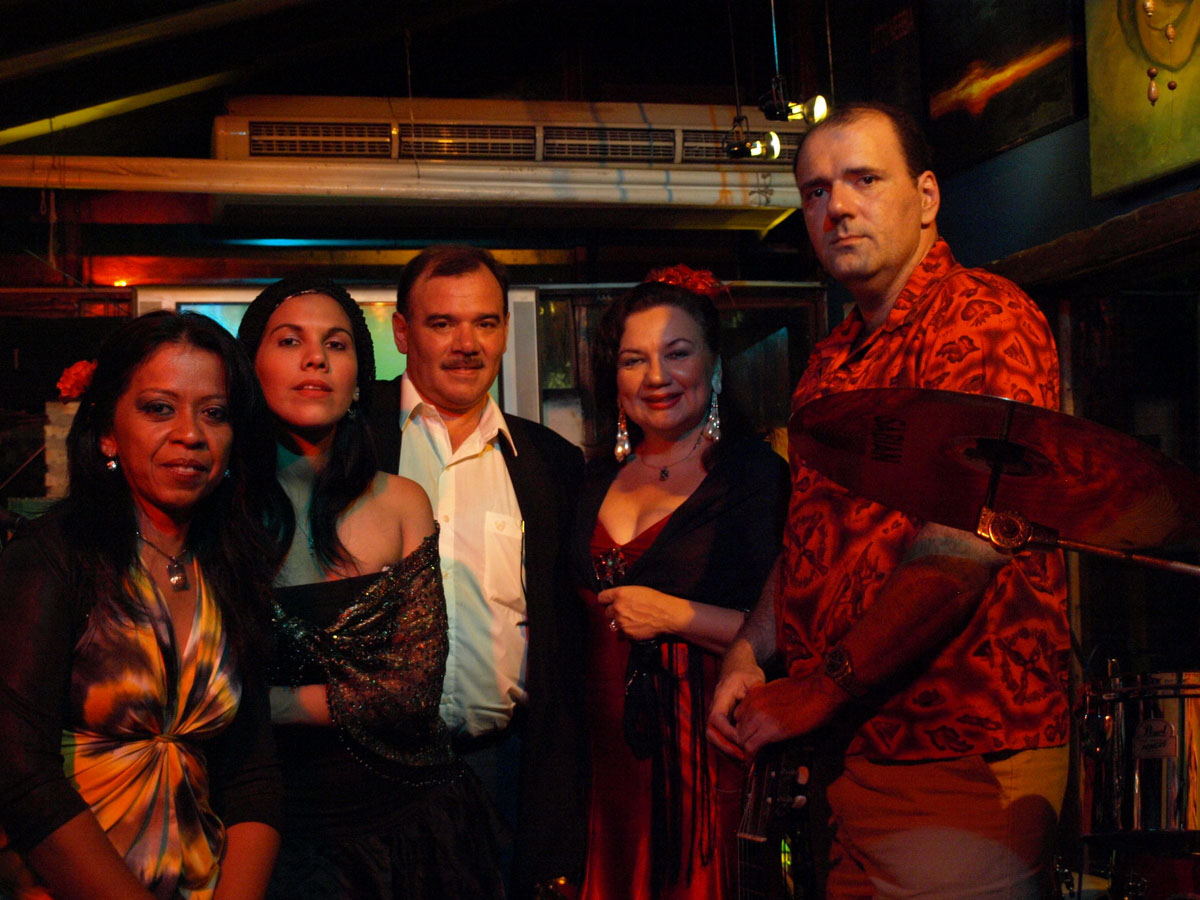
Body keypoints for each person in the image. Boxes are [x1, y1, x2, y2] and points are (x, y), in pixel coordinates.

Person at [708, 102, 1070, 898]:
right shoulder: (833, 357)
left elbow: (966, 544)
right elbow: (809, 540)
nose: (837, 206)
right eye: (815, 191)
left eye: (864, 179)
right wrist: (747, 651)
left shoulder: (984, 318)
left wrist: (821, 686)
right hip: (852, 752)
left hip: (956, 747)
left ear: (927, 197)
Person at [0, 311, 283, 900]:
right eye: (159, 408)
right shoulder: (53, 558)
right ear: (108, 431)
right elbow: (20, 772)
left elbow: (252, 774)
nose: (191, 434)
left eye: (214, 413)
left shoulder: (231, 565)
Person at [237, 276, 504, 899]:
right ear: (249, 368)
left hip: (411, 831)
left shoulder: (402, 501)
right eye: (289, 341)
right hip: (266, 834)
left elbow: (411, 693)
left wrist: (253, 704)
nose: (315, 359)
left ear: (359, 378)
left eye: (336, 344)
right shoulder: (216, 515)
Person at [367, 245, 587, 896]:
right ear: (402, 332)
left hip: (504, 770)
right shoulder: (355, 440)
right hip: (369, 775)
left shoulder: (550, 462)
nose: (467, 345)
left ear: (505, 330)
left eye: (485, 323)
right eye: (442, 324)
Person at [573, 267, 789, 899]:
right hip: (601, 757)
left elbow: (792, 623)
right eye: (634, 360)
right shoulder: (590, 480)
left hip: (703, 747)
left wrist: (673, 614)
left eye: (677, 353)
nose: (656, 377)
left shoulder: (753, 476)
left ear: (714, 367)